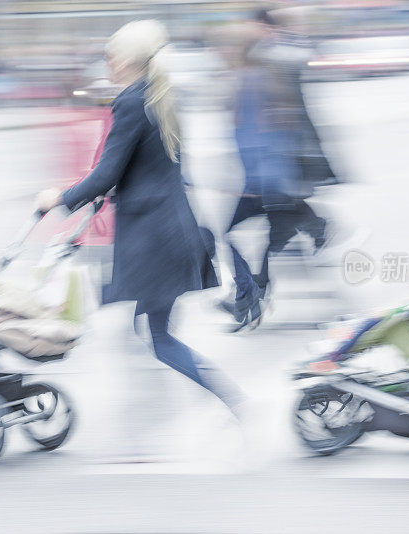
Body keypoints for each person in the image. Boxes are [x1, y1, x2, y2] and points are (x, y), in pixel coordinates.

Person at [36, 20, 244, 416]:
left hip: (153, 239)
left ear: (128, 59)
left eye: (111, 55)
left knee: (160, 338)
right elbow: (156, 165)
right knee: (150, 330)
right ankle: (209, 404)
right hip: (172, 229)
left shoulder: (131, 100)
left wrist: (58, 199)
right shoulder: (160, 95)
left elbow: (107, 172)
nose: (108, 62)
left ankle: (234, 404)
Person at [220, 12, 334, 330]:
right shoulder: (254, 76)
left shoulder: (253, 79)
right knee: (272, 239)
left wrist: (260, 183)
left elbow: (263, 136)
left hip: (267, 181)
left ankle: (250, 294)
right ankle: (252, 295)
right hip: (271, 180)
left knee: (235, 235)